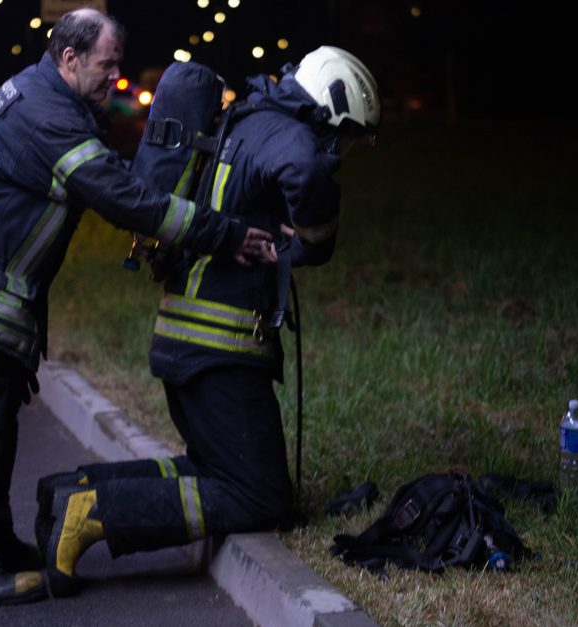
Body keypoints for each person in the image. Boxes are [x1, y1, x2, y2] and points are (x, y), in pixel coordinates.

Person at [0, 8, 271, 606]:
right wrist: (221, 233)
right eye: (108, 63)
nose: (116, 76)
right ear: (70, 58)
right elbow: (120, 196)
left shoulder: (50, 99)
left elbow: (113, 178)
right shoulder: (49, 118)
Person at [37, 46, 381, 597]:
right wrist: (314, 241)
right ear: (326, 108)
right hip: (220, 351)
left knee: (211, 470)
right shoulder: (285, 132)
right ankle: (92, 512)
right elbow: (307, 170)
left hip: (187, 342)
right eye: (342, 137)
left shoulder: (244, 122)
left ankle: (69, 491)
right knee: (259, 497)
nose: (338, 151)